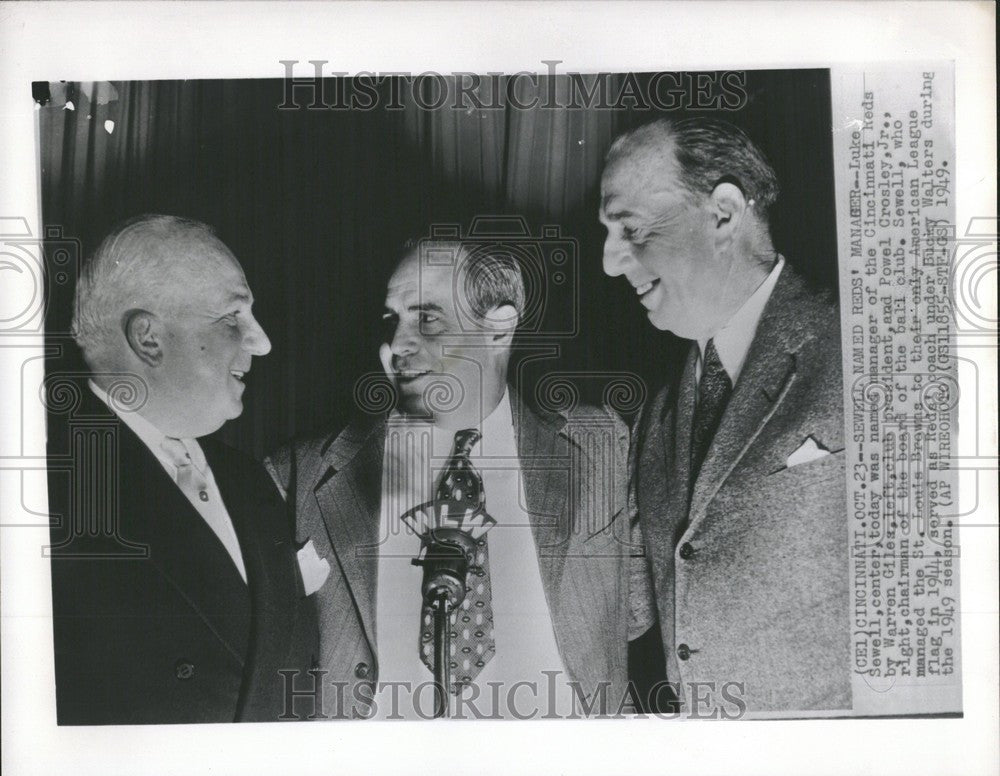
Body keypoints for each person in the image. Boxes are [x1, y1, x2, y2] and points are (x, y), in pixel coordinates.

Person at [266, 239, 647, 719]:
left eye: (427, 319)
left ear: (499, 328)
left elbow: (642, 616)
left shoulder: (602, 446)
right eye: (392, 321)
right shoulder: (300, 474)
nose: (397, 345)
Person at [599, 117, 850, 713]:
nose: (610, 261)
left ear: (724, 214)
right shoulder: (655, 418)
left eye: (629, 227)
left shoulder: (868, 348)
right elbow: (633, 608)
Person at [47, 214, 317, 725]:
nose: (261, 342)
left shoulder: (251, 482)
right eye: (233, 318)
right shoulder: (50, 494)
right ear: (148, 338)